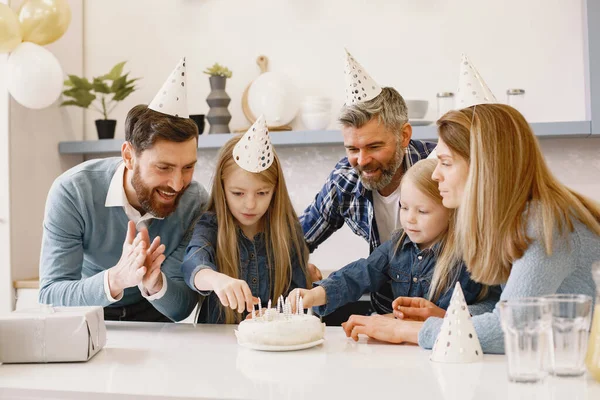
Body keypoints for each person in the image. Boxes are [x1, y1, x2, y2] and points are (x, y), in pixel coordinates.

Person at [341, 104, 600, 353]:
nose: (435, 175)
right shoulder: (520, 220)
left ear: (482, 165)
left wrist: (403, 330)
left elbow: (506, 329)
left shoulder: (546, 224)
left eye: (446, 162)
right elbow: (505, 307)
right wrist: (447, 316)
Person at [39, 58, 209, 322]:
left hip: (155, 320)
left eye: (187, 167)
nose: (178, 184)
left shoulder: (195, 201)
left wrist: (156, 283)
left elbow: (182, 308)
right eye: (163, 167)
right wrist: (117, 278)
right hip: (87, 315)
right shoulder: (73, 191)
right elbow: (50, 296)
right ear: (129, 156)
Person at [300, 51, 436, 320]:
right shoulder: (345, 180)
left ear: (404, 135)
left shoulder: (436, 170)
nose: (362, 161)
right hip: (387, 316)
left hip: (444, 314)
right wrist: (298, 265)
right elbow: (295, 240)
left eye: (374, 146)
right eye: (352, 148)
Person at [290, 158, 484, 316]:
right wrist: (315, 294)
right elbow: (359, 274)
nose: (410, 219)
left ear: (451, 211)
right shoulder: (397, 245)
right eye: (404, 208)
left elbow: (481, 311)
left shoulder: (467, 256)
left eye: (422, 211)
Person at [182, 118, 311, 324]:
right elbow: (192, 264)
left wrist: (275, 316)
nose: (250, 204)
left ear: (275, 191)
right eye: (238, 193)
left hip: (273, 343)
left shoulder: (288, 231)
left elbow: (297, 298)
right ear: (222, 189)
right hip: (218, 346)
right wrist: (216, 280)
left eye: (261, 193)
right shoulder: (211, 225)